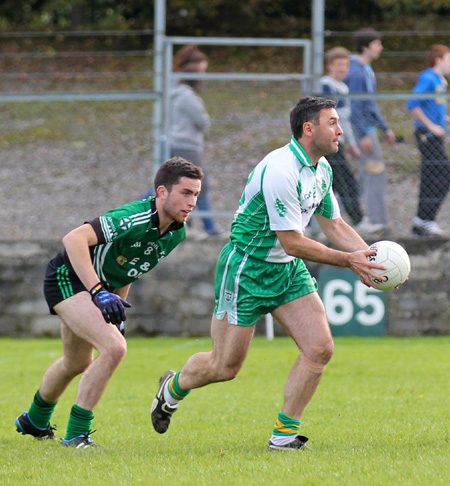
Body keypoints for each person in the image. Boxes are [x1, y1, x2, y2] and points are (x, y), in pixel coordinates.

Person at [150, 97, 386, 451]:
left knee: (319, 349)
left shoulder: (321, 170)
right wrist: (349, 261)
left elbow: (334, 224)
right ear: (309, 129)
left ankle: (284, 435)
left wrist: (371, 259)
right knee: (224, 367)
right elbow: (293, 242)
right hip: (246, 268)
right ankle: (172, 388)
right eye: (333, 123)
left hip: (286, 271)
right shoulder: (281, 170)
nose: (340, 130)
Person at [15, 157, 203, 448]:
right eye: (186, 193)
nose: (192, 202)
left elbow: (127, 269)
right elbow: (74, 239)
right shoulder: (132, 217)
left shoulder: (176, 233)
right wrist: (99, 291)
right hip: (69, 278)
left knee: (76, 362)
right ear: (162, 192)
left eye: (197, 195)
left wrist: (118, 311)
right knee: (114, 348)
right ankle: (76, 434)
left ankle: (34, 420)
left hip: (95, 288)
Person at [321, 46, 383, 235]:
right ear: (330, 66)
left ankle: (319, 225)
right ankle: (357, 220)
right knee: (343, 182)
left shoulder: (344, 87)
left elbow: (344, 120)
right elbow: (328, 117)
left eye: (346, 65)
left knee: (335, 183)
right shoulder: (326, 86)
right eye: (339, 64)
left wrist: (351, 144)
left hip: (337, 142)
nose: (343, 69)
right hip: (326, 144)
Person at [344, 28, 396, 235]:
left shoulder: (366, 69)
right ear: (365, 47)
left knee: (366, 174)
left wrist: (384, 127)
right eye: (377, 44)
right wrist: (363, 134)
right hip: (363, 130)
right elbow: (355, 107)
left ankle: (359, 216)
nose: (381, 48)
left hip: (369, 128)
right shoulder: (356, 72)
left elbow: (370, 104)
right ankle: (376, 222)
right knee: (375, 172)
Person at [171, 44, 223, 239]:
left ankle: (188, 225)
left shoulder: (174, 89)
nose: (204, 75)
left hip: (181, 143)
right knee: (199, 183)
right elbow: (203, 121)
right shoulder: (186, 96)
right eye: (202, 71)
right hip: (186, 145)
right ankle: (209, 227)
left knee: (171, 184)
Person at [407, 44, 450, 237]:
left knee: (431, 176)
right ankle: (425, 219)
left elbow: (434, 109)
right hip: (427, 136)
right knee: (442, 173)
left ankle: (422, 221)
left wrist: (444, 121)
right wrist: (431, 126)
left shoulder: (440, 81)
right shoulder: (428, 78)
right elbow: (413, 104)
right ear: (438, 59)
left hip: (435, 135)